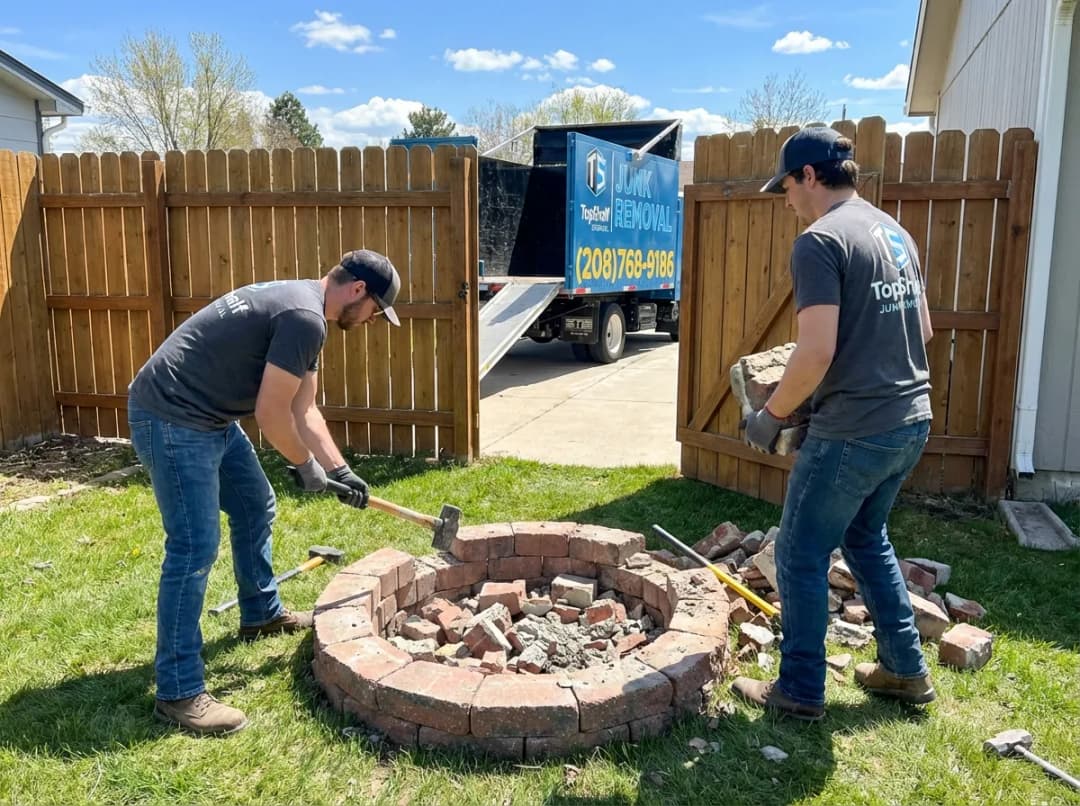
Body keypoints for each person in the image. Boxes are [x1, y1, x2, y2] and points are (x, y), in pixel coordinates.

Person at [127, 249, 402, 735]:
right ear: (358, 290)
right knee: (193, 548)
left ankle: (260, 613)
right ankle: (178, 691)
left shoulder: (307, 309)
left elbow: (303, 409)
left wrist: (339, 469)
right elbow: (271, 414)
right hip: (172, 416)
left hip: (209, 416)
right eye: (376, 310)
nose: (372, 320)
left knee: (255, 504)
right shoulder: (304, 318)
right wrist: (304, 466)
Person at [731, 127, 935, 721]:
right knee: (867, 538)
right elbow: (921, 331)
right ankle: (904, 670)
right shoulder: (893, 233)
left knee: (799, 553)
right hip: (910, 420)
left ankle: (799, 690)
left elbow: (817, 350)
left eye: (787, 187)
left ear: (810, 175)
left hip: (855, 431)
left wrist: (770, 416)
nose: (787, 200)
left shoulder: (819, 241)